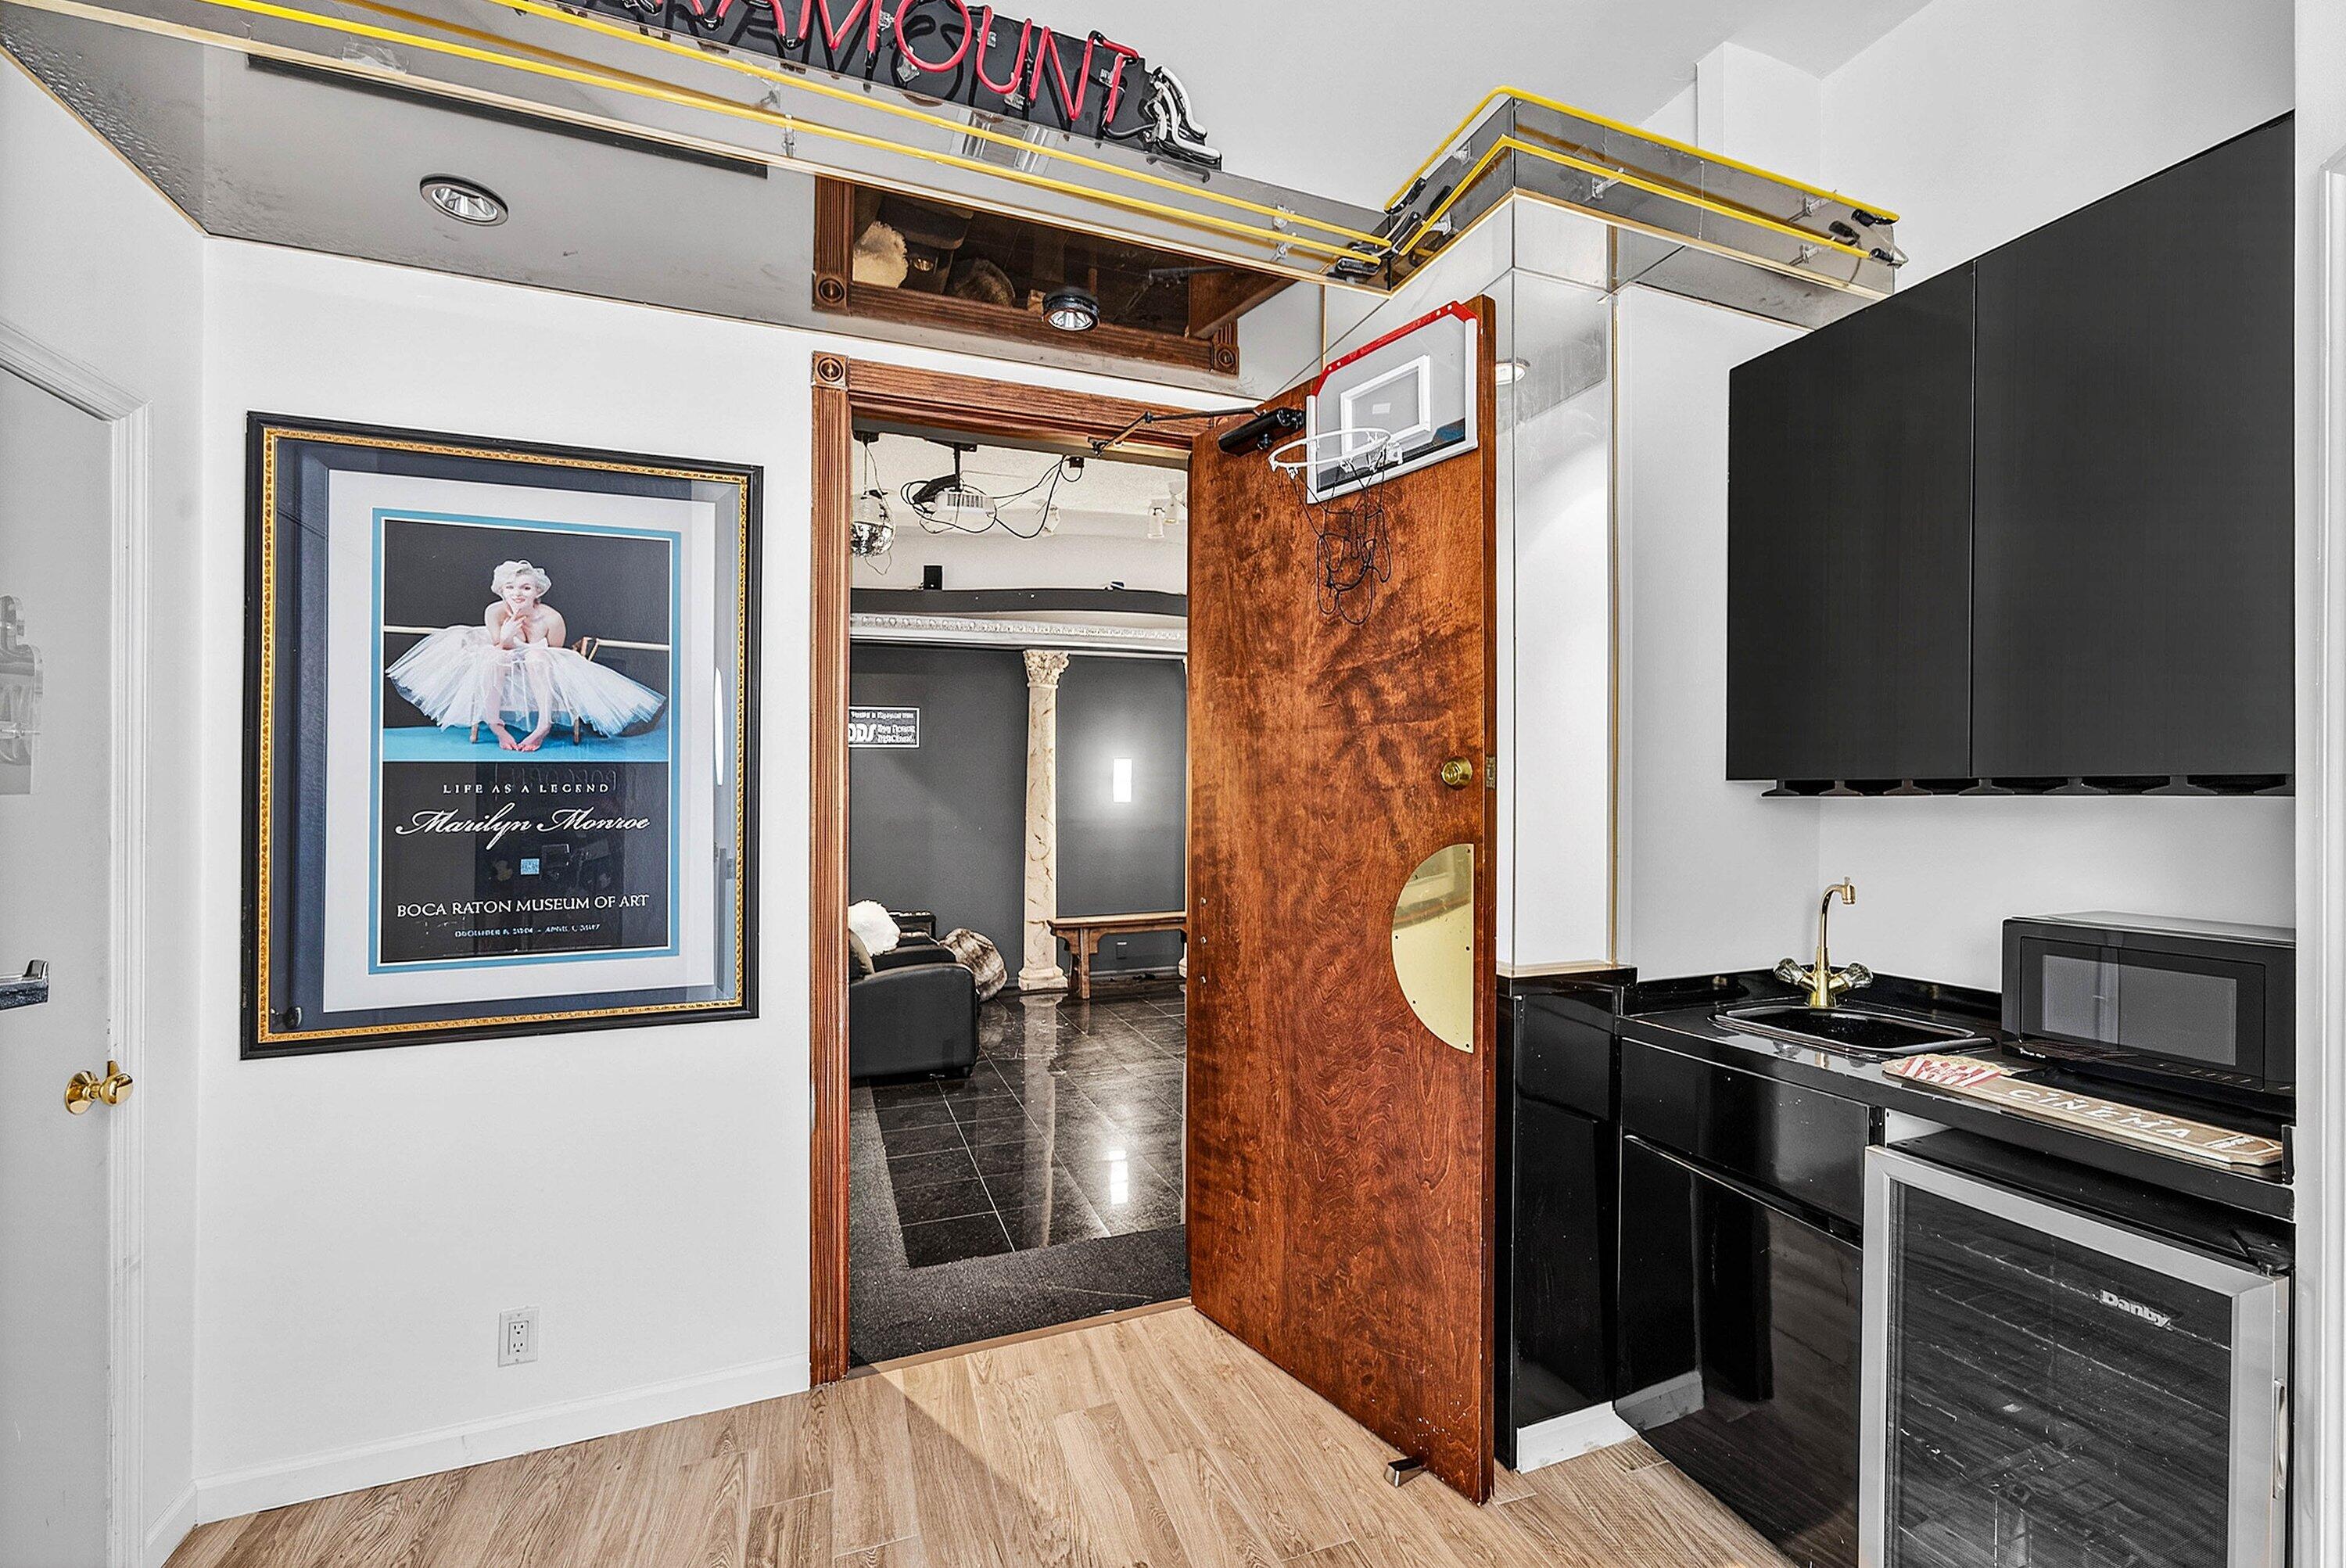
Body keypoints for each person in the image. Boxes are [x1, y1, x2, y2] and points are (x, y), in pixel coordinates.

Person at [387, 559, 663, 751]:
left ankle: (544, 725)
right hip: (503, 656)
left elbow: (558, 656)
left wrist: (531, 648)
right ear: (501, 590)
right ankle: (495, 724)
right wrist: (506, 638)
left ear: (537, 592)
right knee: (496, 657)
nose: (517, 594)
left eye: (525, 588)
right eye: (510, 588)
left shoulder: (551, 619)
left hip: (541, 665)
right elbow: (500, 647)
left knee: (537, 657)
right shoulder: (494, 612)